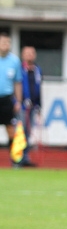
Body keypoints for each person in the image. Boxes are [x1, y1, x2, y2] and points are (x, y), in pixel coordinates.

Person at [0, 32, 23, 161]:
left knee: (10, 129)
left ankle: (14, 159)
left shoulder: (14, 61)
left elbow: (17, 82)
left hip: (7, 99)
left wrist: (18, 101)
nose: (6, 45)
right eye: (3, 42)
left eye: (8, 42)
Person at [19, 45, 42, 167]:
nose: (30, 55)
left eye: (32, 53)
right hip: (22, 106)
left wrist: (39, 104)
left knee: (28, 132)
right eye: (27, 53)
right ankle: (18, 157)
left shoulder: (37, 69)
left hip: (33, 106)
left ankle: (25, 157)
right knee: (20, 132)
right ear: (22, 55)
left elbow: (38, 88)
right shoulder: (20, 69)